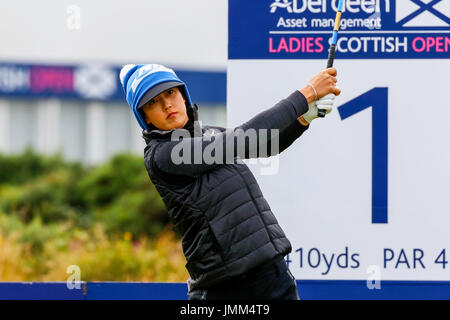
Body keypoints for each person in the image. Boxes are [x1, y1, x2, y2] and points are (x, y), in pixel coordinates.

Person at [119, 63, 341, 300]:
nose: (166, 105)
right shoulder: (163, 154)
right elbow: (244, 138)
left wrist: (303, 119)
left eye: (170, 93)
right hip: (225, 287)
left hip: (272, 273)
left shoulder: (208, 134)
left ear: (183, 95)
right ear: (145, 117)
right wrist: (306, 94)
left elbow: (265, 145)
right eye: (152, 102)